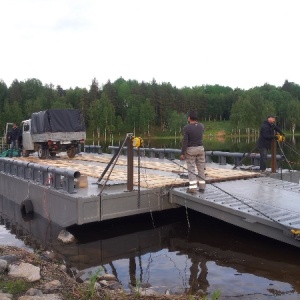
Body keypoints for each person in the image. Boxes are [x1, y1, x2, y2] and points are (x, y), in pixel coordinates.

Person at [180, 111, 206, 193]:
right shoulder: (201, 126)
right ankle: (202, 187)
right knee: (201, 168)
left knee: (191, 169)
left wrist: (182, 153)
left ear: (189, 118)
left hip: (191, 150)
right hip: (201, 148)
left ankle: (193, 188)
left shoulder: (186, 128)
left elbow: (185, 142)